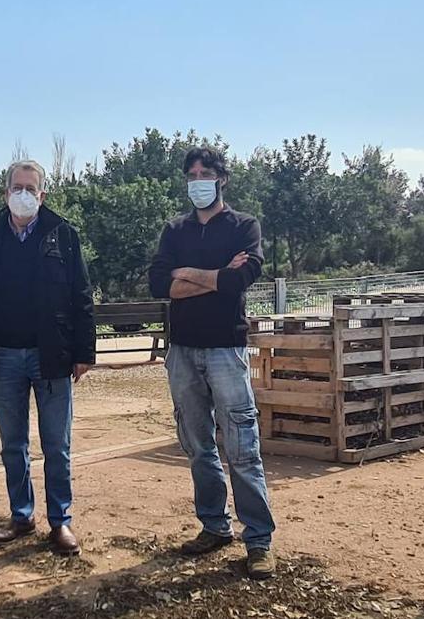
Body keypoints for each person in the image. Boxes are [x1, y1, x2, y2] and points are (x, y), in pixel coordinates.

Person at [147, 147, 277, 578]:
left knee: (242, 446)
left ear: (222, 179)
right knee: (198, 446)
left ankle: (258, 540)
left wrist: (187, 275)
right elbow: (157, 285)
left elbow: (243, 277)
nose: (197, 179)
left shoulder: (244, 225)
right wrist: (216, 277)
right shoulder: (174, 229)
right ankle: (214, 526)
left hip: (226, 348)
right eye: (192, 174)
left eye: (206, 173)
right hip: (182, 350)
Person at [0, 160, 95, 555]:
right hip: (2, 358)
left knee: (57, 444)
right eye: (16, 187)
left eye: (30, 188)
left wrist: (84, 352)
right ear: (5, 194)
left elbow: (81, 297)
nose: (23, 194)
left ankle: (61, 521)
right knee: (12, 444)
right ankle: (21, 515)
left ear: (42, 195)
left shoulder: (63, 235)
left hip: (51, 356)